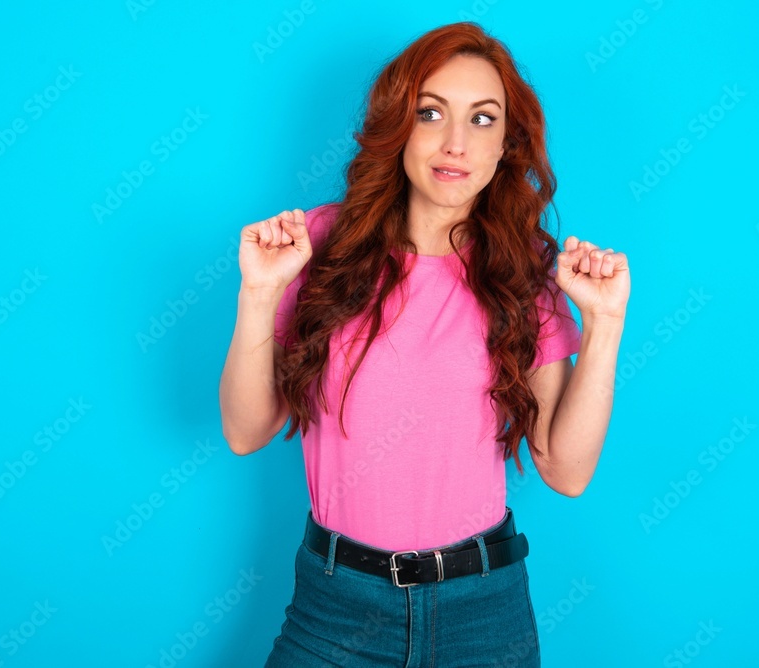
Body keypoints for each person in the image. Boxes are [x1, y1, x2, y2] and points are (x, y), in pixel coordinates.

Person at [219, 21, 630, 667]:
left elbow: (566, 471)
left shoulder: (524, 272)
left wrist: (604, 325)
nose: (456, 143)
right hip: (335, 606)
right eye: (431, 112)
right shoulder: (318, 246)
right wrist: (258, 296)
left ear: (506, 144)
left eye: (483, 119)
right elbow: (246, 431)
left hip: (484, 613)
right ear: (398, 125)